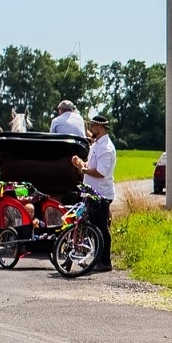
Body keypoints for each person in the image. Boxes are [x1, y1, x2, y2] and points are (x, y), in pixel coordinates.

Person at [70, 113, 115, 272]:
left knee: (101, 228)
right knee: (94, 227)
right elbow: (90, 167)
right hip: (91, 192)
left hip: (101, 193)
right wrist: (80, 165)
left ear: (100, 127)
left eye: (92, 126)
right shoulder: (96, 145)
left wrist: (83, 169)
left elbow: (101, 172)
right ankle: (97, 258)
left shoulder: (106, 148)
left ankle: (105, 261)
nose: (90, 129)